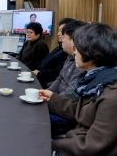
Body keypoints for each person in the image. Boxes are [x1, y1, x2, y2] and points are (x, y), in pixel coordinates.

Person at [39, 23, 117, 155]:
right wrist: (52, 99)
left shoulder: (111, 95)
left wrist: (51, 144)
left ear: (94, 53)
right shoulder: (96, 79)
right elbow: (83, 112)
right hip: (73, 142)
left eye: (78, 48)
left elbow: (91, 145)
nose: (74, 52)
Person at [32, 18, 75, 88]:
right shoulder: (60, 47)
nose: (58, 34)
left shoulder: (68, 53)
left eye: (61, 31)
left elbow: (58, 73)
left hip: (45, 81)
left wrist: (39, 74)